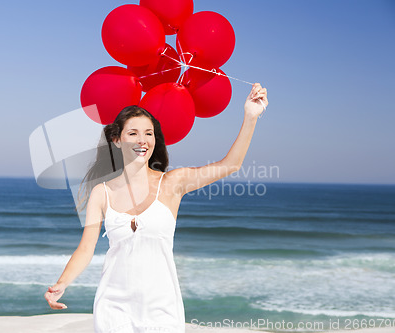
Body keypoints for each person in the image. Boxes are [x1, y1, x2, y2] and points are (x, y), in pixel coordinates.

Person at [45, 83, 268, 332]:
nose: (142, 140)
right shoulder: (102, 192)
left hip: (163, 309)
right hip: (113, 307)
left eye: (149, 133)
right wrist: (61, 283)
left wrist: (250, 116)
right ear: (116, 140)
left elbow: (231, 165)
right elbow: (86, 249)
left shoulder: (173, 182)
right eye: (133, 133)